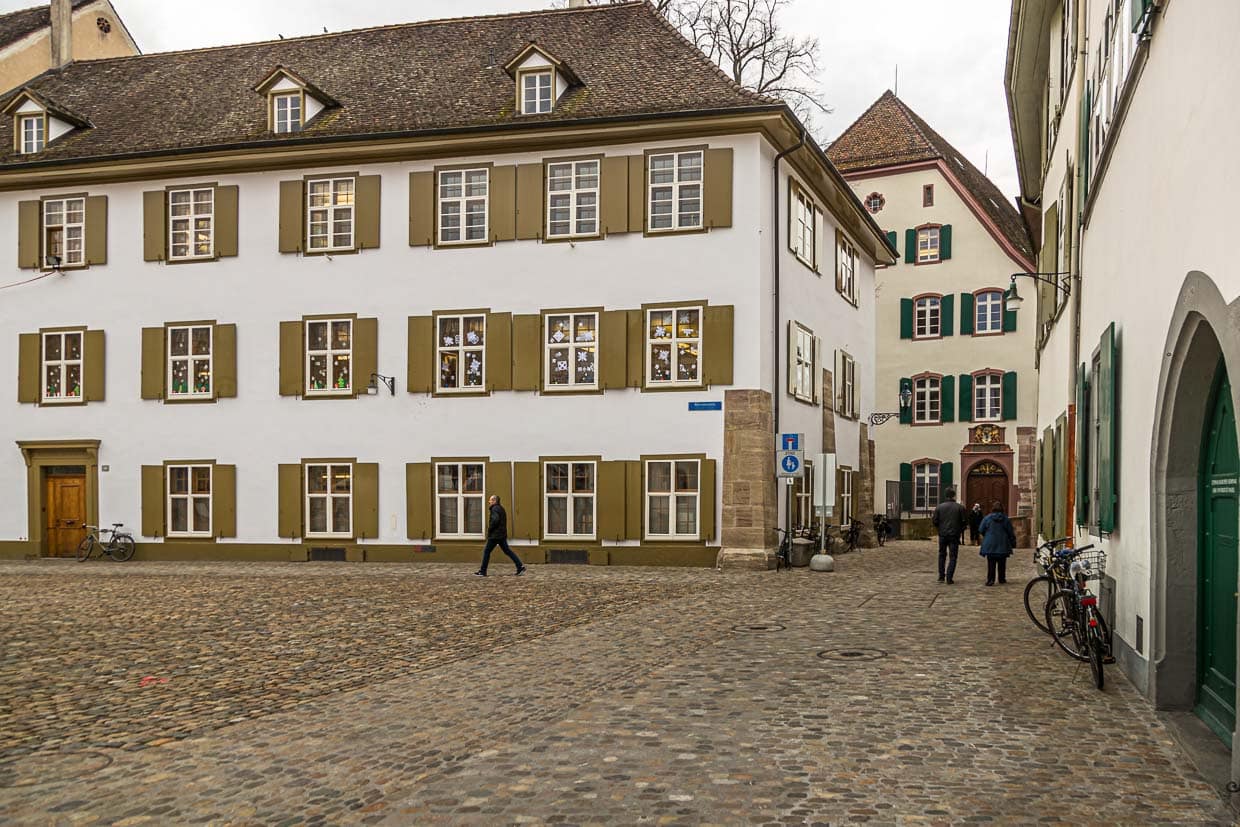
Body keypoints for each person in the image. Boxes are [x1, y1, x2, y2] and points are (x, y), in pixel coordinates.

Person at [475, 495, 526, 577]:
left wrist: (490, 529)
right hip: (501, 535)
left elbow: (495, 520)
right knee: (507, 551)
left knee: (487, 551)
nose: (489, 502)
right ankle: (520, 566)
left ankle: (483, 571)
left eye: (490, 500)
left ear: (495, 501)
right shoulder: (501, 508)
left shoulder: (495, 509)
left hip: (495, 535)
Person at [931, 486, 968, 584]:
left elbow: (934, 521)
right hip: (954, 535)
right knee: (953, 556)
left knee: (942, 555)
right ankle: (949, 577)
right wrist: (959, 530)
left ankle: (941, 576)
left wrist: (940, 529)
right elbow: (965, 522)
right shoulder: (960, 508)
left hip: (943, 534)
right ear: (954, 496)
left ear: (945, 495)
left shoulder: (939, 507)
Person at [978, 500, 1017, 585]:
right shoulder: (1005, 519)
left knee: (991, 563)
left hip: (990, 544)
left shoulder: (987, 518)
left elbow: (981, 529)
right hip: (1002, 543)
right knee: (1002, 562)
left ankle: (990, 579)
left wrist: (987, 535)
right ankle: (1001, 578)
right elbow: (1010, 532)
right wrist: (1012, 541)